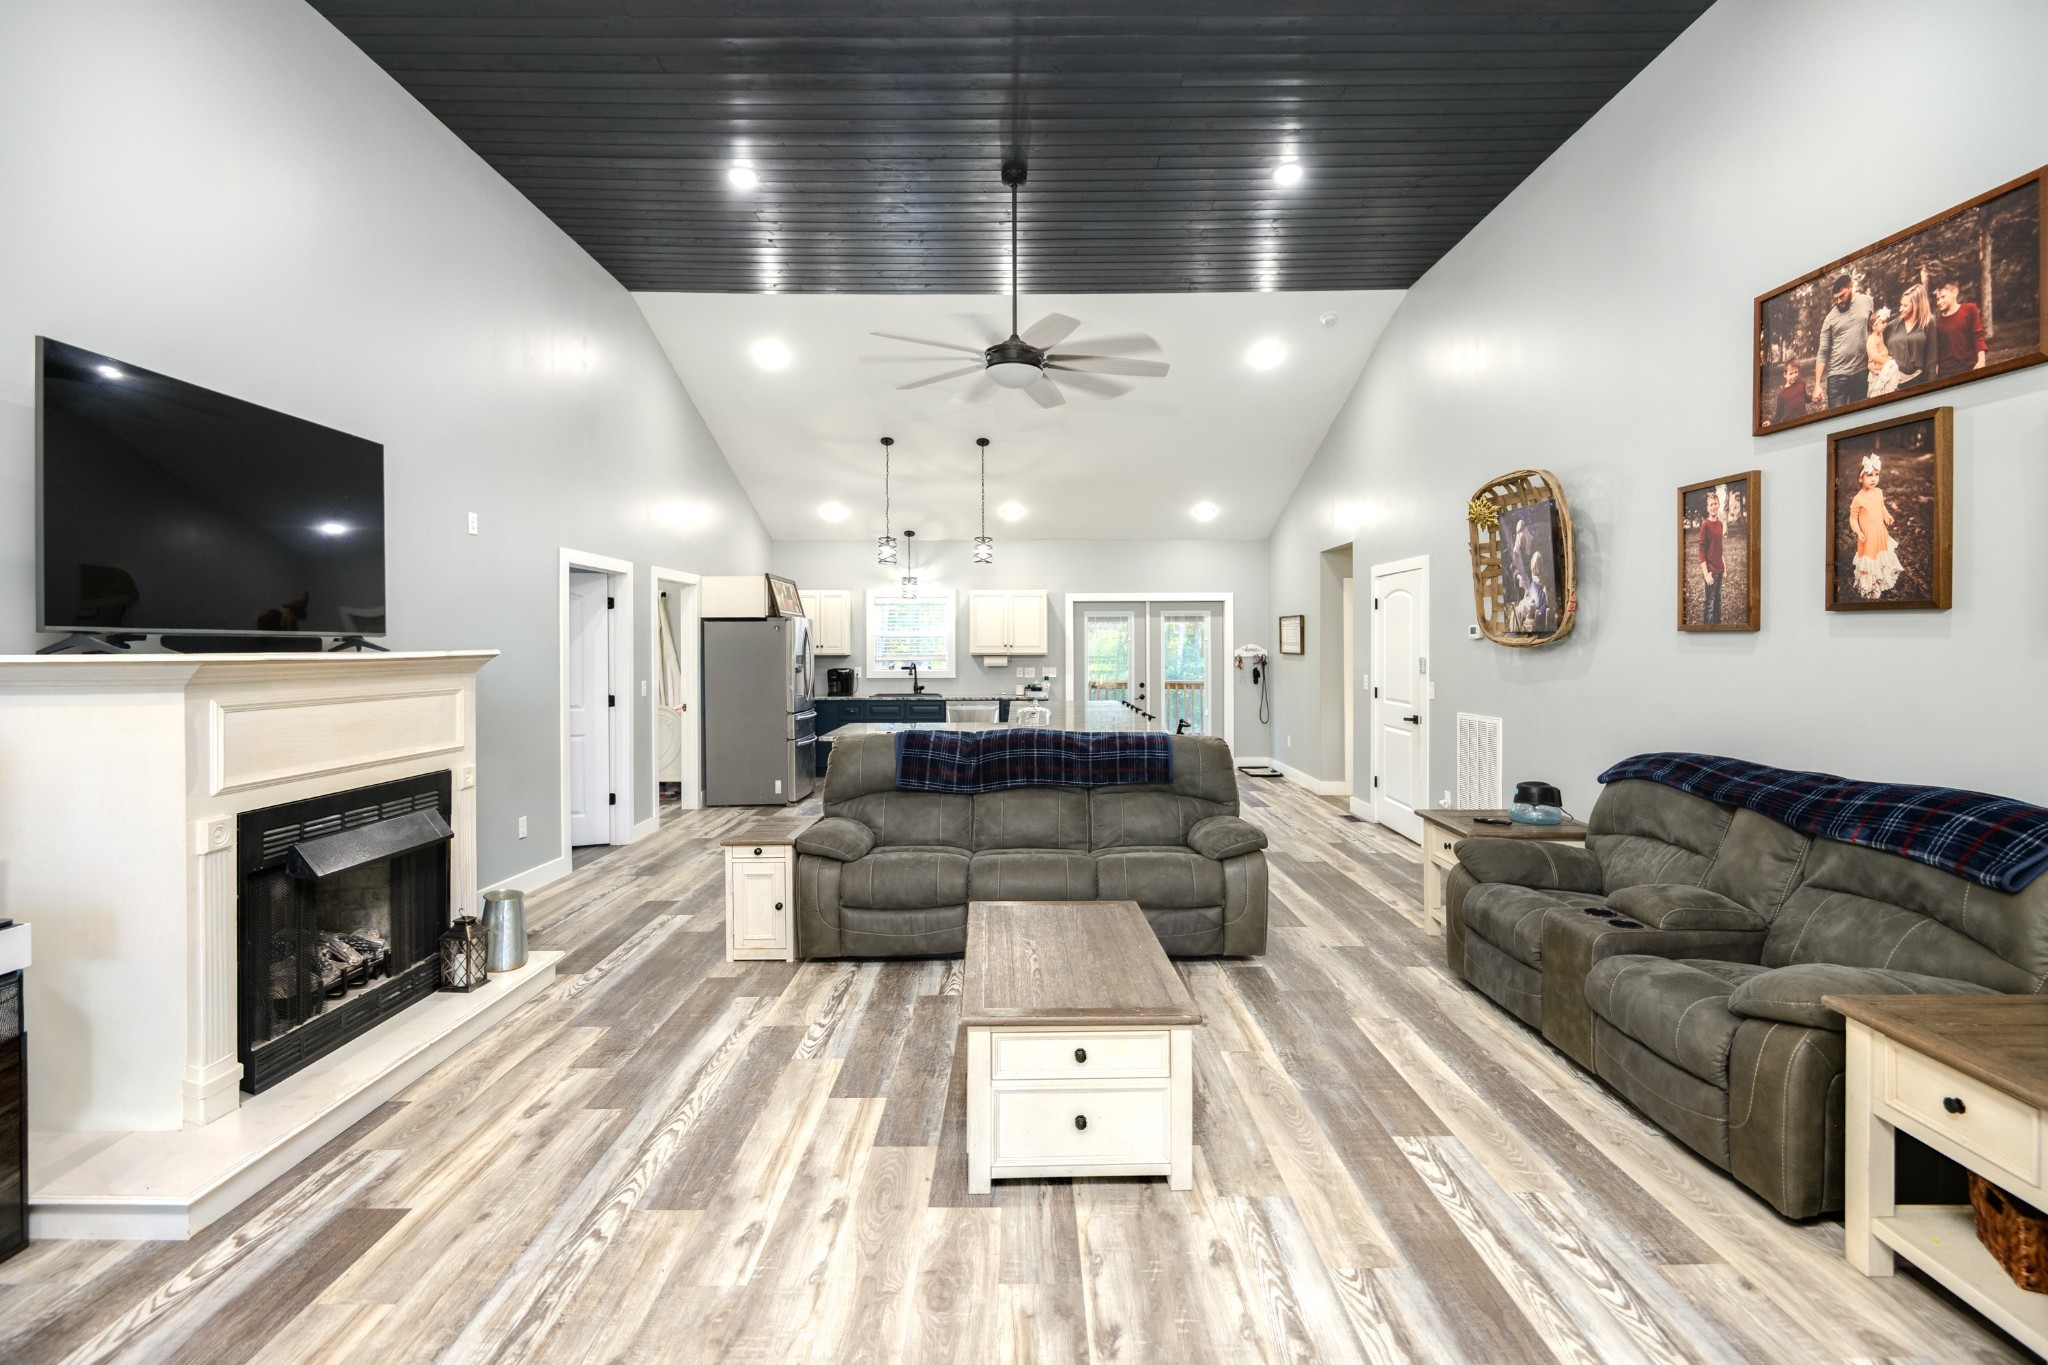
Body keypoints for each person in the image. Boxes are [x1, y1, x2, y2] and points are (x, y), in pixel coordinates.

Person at [1814, 274, 1874, 409]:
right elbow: (1823, 352)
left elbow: (1872, 329)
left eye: (1842, 295)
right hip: (1837, 376)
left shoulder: (1867, 301)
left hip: (1861, 372)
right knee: (1836, 424)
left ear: (1851, 286)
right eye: (1836, 298)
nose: (1839, 301)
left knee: (1861, 419)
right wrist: (1817, 384)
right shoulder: (1830, 319)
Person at [1849, 451, 1902, 599]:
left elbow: (1881, 507)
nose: (1874, 479)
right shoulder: (1858, 499)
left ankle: (1882, 579)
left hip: (1880, 532)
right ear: (1860, 478)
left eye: (1876, 474)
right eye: (1869, 475)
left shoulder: (1879, 492)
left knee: (1881, 556)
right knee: (1869, 559)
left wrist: (1886, 515)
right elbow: (1853, 518)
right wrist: (1857, 531)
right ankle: (1869, 588)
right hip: (1868, 536)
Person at [1930, 263, 1988, 377]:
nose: (1939, 302)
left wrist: (1981, 361)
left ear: (1954, 293)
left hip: (1970, 368)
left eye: (1943, 297)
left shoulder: (1970, 309)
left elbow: (1978, 336)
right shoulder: (1938, 322)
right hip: (1946, 373)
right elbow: (1938, 349)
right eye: (1937, 299)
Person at [1887, 283, 1935, 387]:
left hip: (1917, 381)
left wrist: (1932, 385)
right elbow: (1875, 340)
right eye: (1901, 305)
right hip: (1892, 382)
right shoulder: (1894, 324)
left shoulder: (1929, 322)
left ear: (1916, 305)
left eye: (1905, 306)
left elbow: (1932, 358)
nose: (1900, 309)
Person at [1698, 490, 1724, 624]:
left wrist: (1724, 567)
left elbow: (1720, 548)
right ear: (1707, 508)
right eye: (1711, 504)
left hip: (1720, 569)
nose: (1714, 506)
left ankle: (1718, 629)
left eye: (1715, 503)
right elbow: (1701, 550)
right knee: (1710, 604)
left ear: (1719, 504)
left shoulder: (1720, 524)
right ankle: (1707, 632)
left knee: (1718, 603)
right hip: (1711, 571)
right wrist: (1706, 574)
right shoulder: (1705, 525)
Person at [1866, 326, 1903, 396]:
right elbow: (1874, 355)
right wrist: (1884, 361)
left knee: (1890, 383)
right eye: (1883, 323)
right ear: (1874, 326)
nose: (1885, 324)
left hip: (1885, 361)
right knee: (1879, 387)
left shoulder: (1880, 334)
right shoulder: (1871, 339)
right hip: (1880, 364)